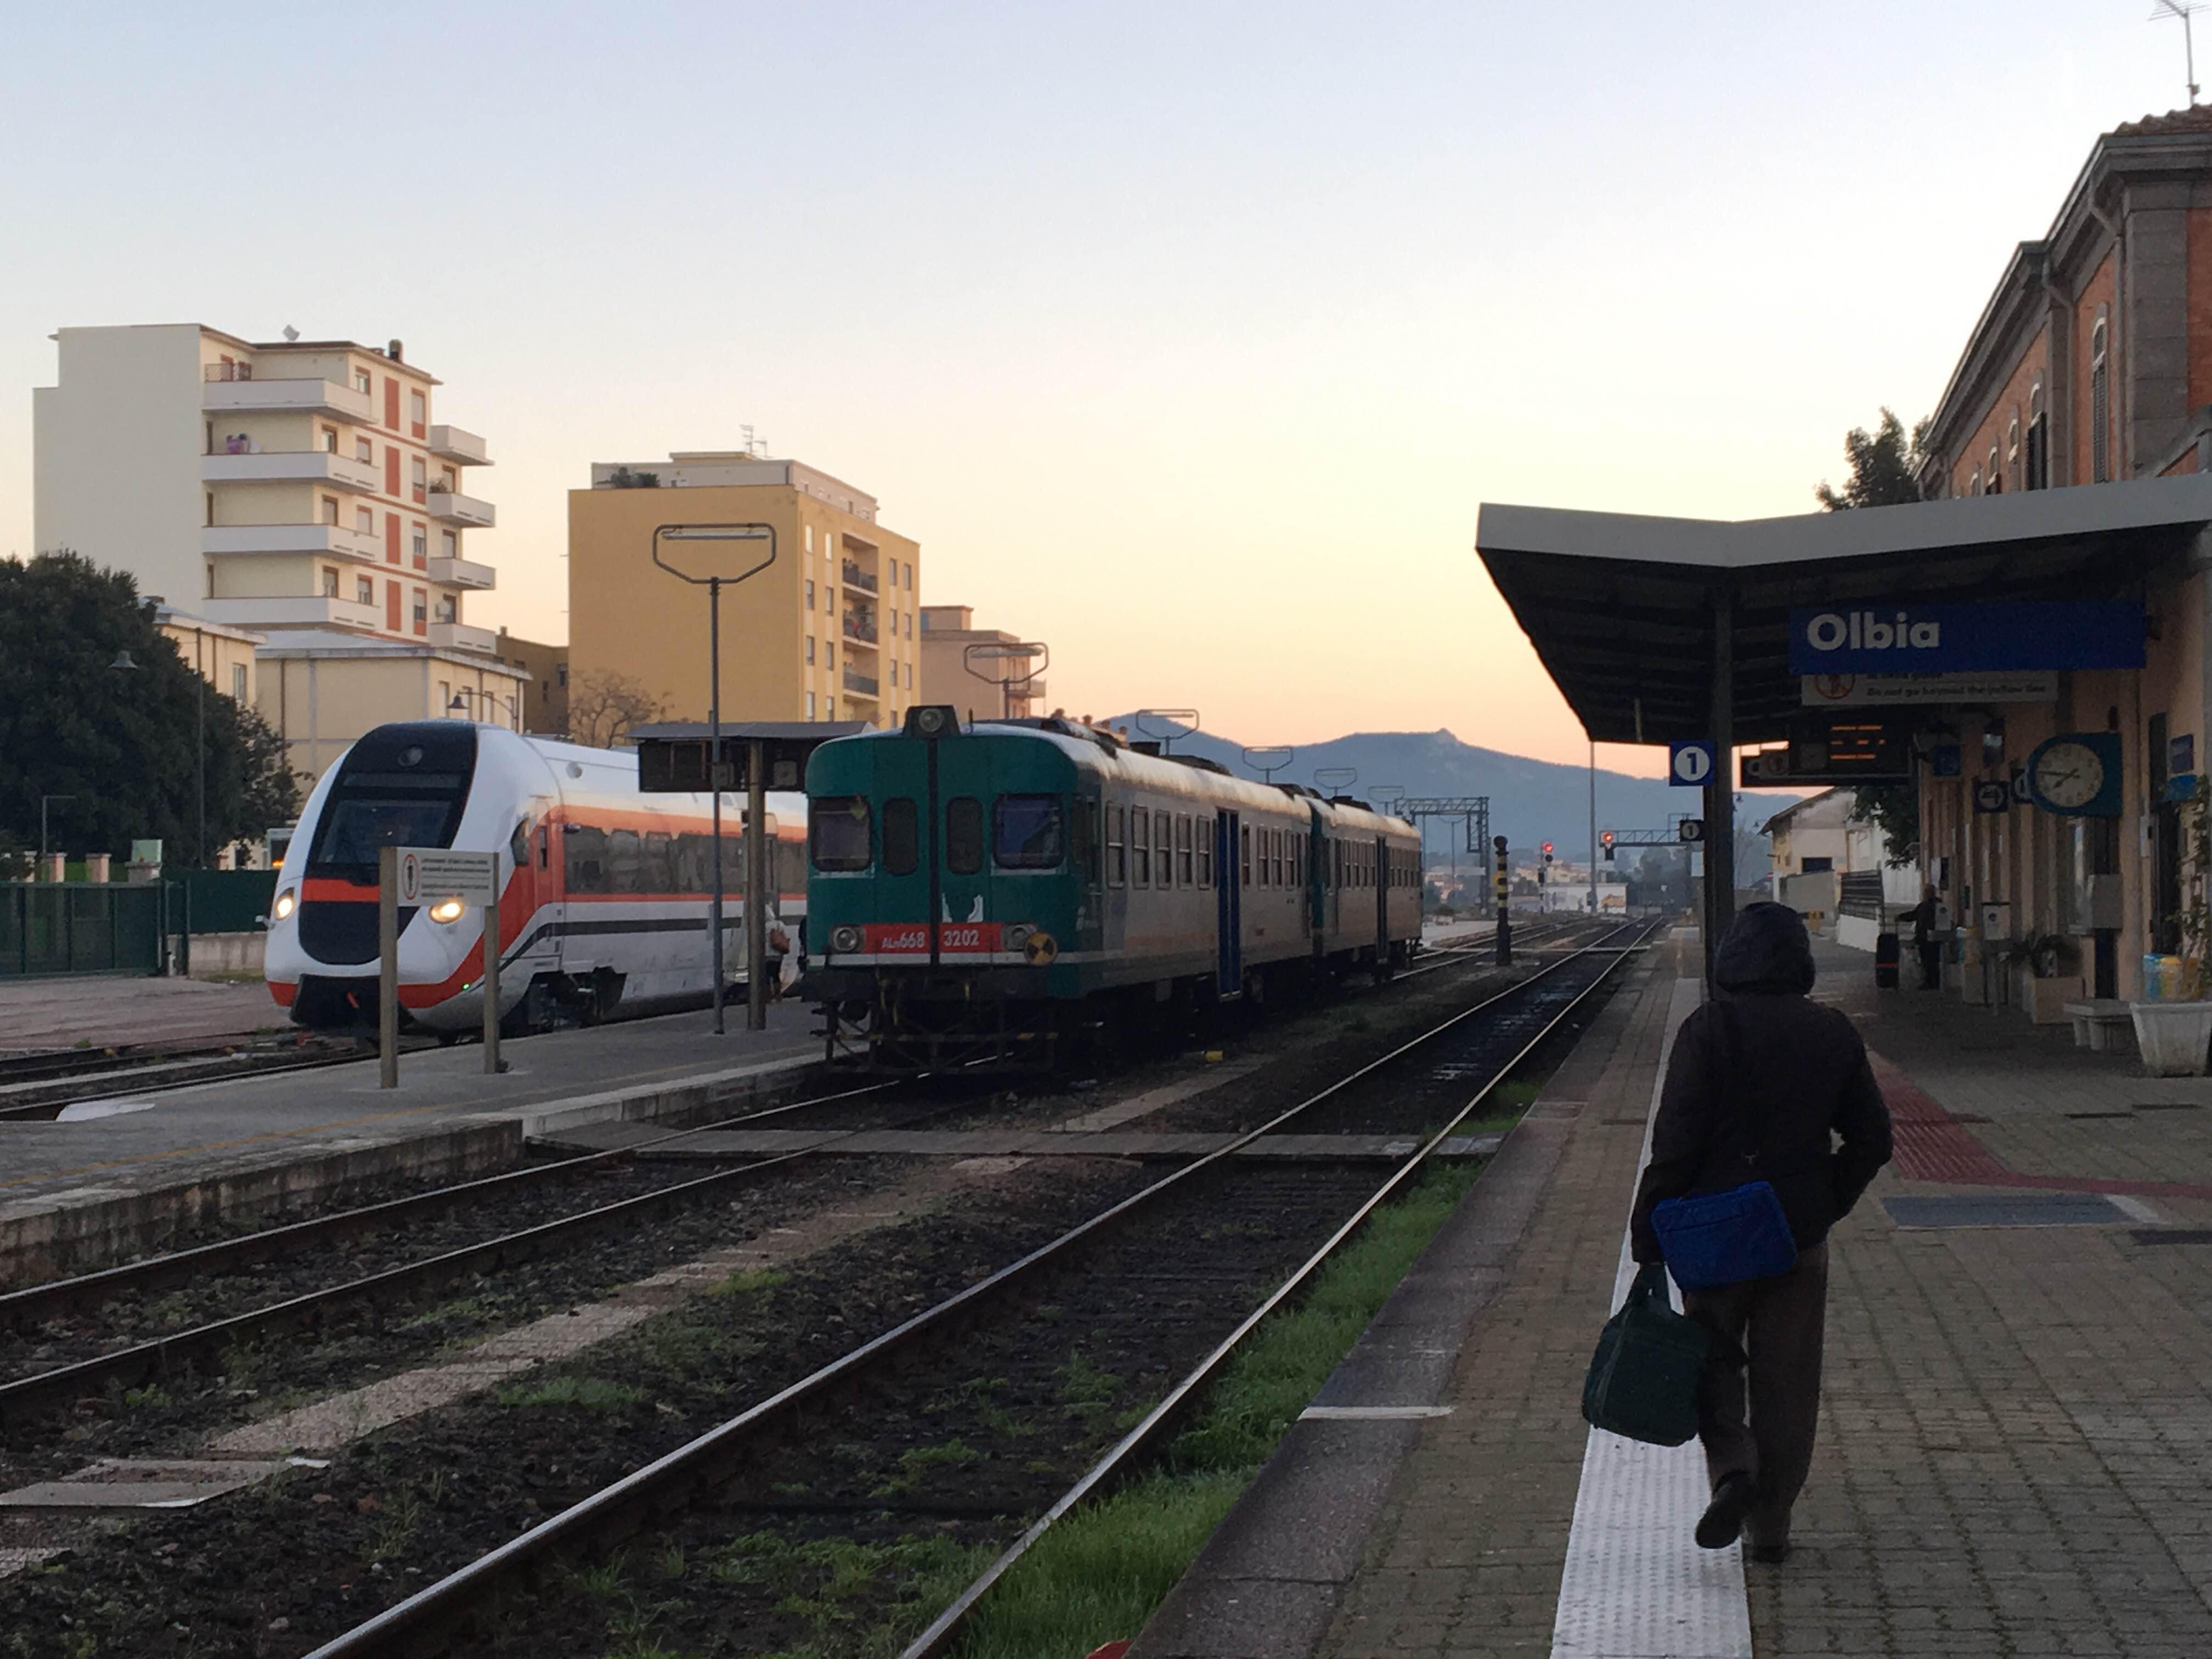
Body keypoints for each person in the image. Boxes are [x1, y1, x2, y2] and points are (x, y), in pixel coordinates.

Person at [1630, 902, 1892, 1564]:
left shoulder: (1707, 1030)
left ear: (1732, 959)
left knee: (1713, 1364)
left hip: (1713, 1237)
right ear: (1800, 960)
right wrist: (1825, 1203)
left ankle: (1733, 1473)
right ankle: (1770, 1527)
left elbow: (1675, 1141)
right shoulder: (1832, 1032)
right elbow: (1873, 1139)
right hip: (1795, 1238)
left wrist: (1651, 1222)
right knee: (1789, 1383)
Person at [1906, 883, 1943, 990]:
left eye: (1927, 892)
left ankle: (1932, 982)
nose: (1925, 894)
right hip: (1924, 937)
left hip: (1931, 937)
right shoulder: (1925, 905)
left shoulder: (1932, 905)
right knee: (1927, 961)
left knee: (1931, 961)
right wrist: (1901, 917)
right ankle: (1930, 981)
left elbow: (1914, 915)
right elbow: (1913, 915)